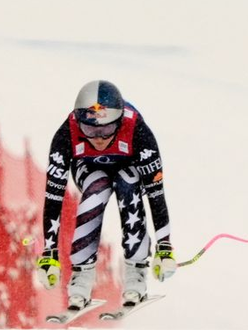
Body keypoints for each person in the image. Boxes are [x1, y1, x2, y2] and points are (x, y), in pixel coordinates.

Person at [35, 80, 175, 313]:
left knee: (127, 183)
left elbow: (155, 193)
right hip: (88, 169)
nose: (99, 138)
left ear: (119, 122)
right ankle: (81, 278)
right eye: (90, 130)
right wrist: (50, 253)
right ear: (78, 121)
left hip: (129, 167)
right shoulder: (66, 134)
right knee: (96, 188)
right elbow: (53, 196)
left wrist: (164, 247)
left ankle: (136, 273)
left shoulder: (138, 130)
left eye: (107, 129)